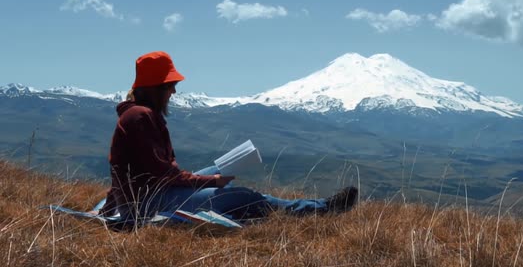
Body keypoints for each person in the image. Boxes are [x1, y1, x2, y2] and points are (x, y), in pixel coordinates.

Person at [100, 51, 357, 226]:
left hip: (148, 196)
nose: (174, 91)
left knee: (218, 171)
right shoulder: (140, 117)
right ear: (155, 88)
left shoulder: (139, 115)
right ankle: (321, 208)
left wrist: (112, 204)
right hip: (150, 203)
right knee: (245, 196)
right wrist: (211, 181)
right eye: (169, 86)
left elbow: (126, 170)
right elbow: (162, 175)